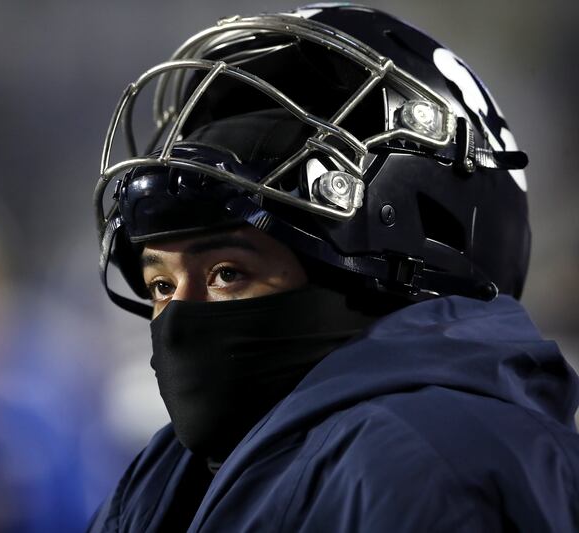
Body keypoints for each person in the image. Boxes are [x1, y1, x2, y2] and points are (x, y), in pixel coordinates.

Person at [88, 4, 579, 532]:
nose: (179, 320)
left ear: (390, 274)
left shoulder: (423, 465)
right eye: (161, 284)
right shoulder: (173, 473)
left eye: (227, 273)